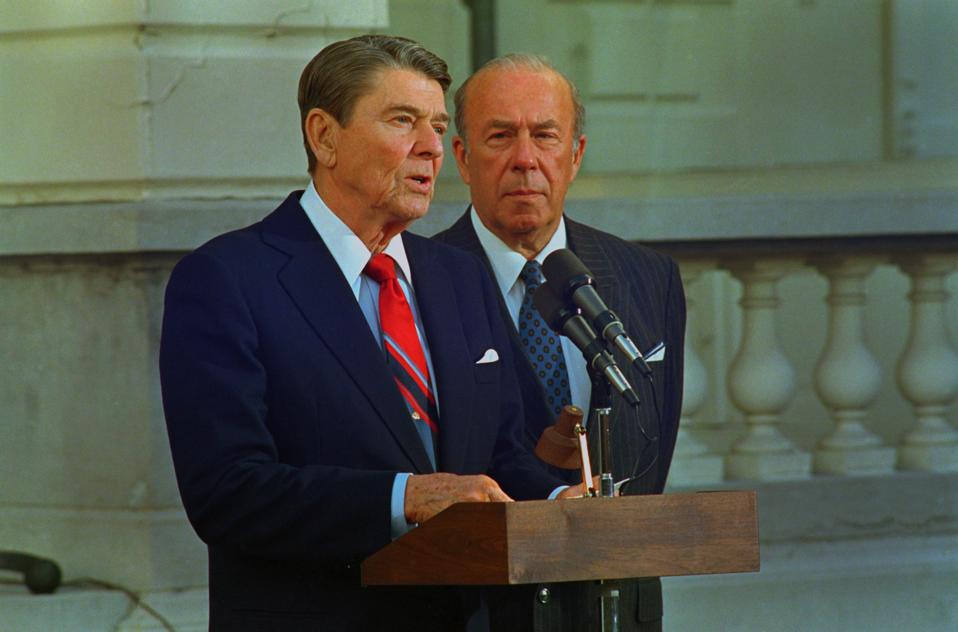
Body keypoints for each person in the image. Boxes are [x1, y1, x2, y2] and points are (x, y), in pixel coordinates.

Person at [159, 36, 577, 632]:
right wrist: (404, 497)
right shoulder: (228, 279)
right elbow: (228, 491)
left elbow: (501, 453)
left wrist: (566, 508)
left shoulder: (458, 275)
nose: (432, 148)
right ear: (324, 136)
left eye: (436, 124)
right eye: (403, 121)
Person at [434, 54, 687, 632]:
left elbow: (653, 454)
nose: (526, 159)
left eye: (545, 136)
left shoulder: (647, 277)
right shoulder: (424, 279)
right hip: (478, 611)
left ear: (575, 156)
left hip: (615, 606)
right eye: (501, 136)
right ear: (463, 159)